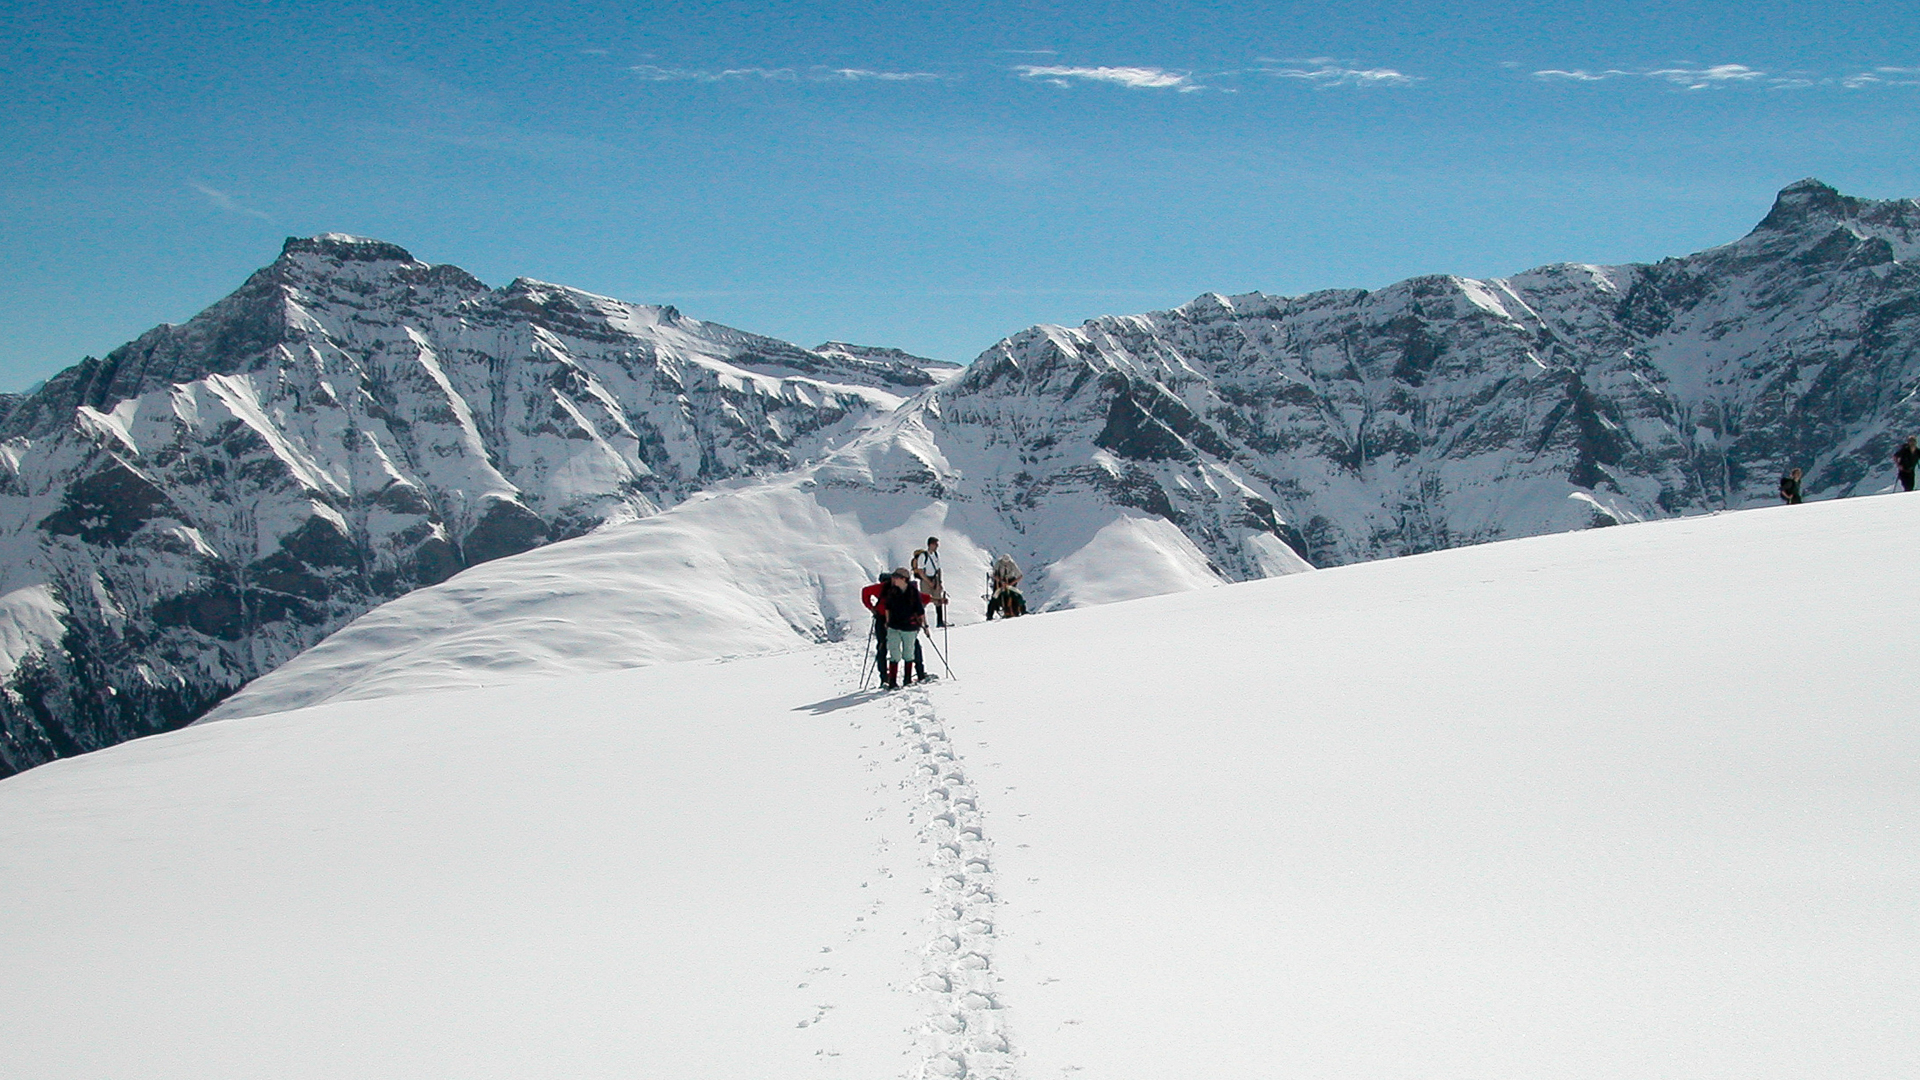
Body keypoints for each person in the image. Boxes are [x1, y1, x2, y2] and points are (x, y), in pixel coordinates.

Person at [881, 567, 928, 689]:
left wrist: (925, 626)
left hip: (909, 627)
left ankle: (906, 680)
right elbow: (887, 608)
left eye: (896, 577)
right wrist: (887, 622)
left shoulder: (913, 592)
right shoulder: (892, 591)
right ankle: (893, 681)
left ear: (904, 579)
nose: (893, 579)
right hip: (895, 626)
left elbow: (920, 610)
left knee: (908, 653)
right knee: (894, 653)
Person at [911, 537, 947, 628]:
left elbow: (938, 569)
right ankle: (919, 621)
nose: (937, 546)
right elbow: (920, 571)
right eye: (935, 544)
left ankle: (940, 621)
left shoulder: (935, 555)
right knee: (923, 601)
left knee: (938, 600)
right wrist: (929, 582)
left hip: (934, 579)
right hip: (926, 580)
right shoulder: (923, 556)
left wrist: (939, 582)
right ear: (930, 544)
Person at [860, 573, 889, 681]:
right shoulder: (897, 588)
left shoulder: (879, 588)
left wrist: (871, 608)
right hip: (897, 620)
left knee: (882, 647)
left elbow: (865, 591)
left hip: (881, 619)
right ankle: (911, 673)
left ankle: (884, 677)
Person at [986, 553, 1026, 620]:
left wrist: (1012, 583)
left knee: (1017, 595)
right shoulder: (998, 563)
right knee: (995, 597)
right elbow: (993, 574)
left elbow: (1020, 575)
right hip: (999, 582)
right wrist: (1000, 581)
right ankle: (990, 614)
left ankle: (1023, 611)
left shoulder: (1012, 564)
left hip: (1010, 582)